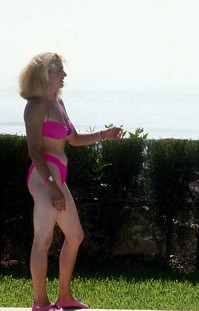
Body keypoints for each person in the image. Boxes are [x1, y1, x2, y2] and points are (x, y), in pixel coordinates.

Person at [19, 52, 123, 311]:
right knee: (43, 239)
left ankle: (64, 296)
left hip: (57, 178)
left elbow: (74, 139)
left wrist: (104, 134)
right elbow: (34, 151)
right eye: (59, 71)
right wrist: (52, 184)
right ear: (45, 74)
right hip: (44, 178)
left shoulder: (59, 104)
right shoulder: (35, 106)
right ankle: (40, 303)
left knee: (75, 235)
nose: (64, 75)